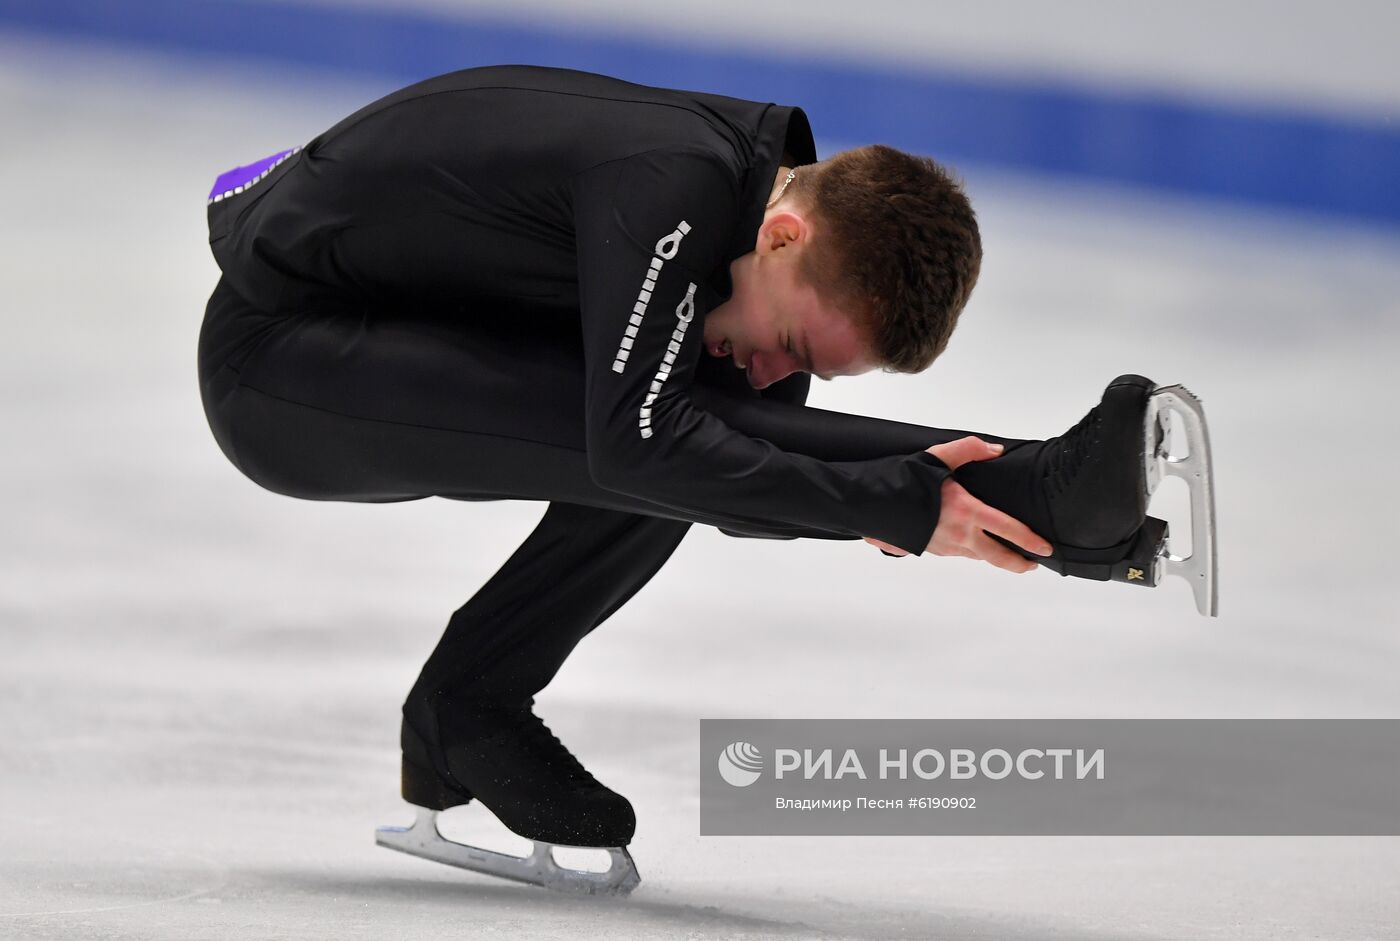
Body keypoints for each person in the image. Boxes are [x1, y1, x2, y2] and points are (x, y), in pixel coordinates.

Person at [198, 64, 1203, 892]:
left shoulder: (751, 214)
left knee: (695, 415)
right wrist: (891, 497)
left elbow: (736, 470)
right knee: (660, 424)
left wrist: (879, 499)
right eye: (791, 343)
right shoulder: (668, 189)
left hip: (427, 320)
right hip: (280, 358)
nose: (778, 372)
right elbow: (644, 450)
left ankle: (462, 712)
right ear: (782, 236)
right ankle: (1041, 489)